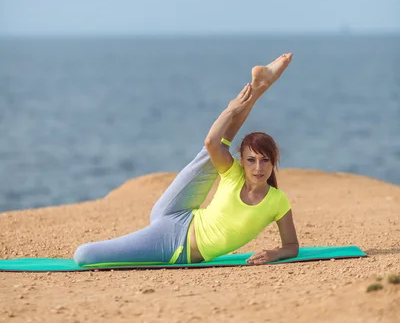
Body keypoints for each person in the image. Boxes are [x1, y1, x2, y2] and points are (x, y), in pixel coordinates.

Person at [74, 53, 299, 267]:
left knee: (84, 255)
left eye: (265, 160)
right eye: (251, 160)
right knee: (213, 151)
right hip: (174, 220)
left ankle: (260, 86)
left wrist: (275, 253)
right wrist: (230, 110)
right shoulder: (234, 175)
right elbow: (211, 143)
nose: (258, 167)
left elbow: (292, 246)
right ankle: (259, 87)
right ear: (242, 161)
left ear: (274, 162)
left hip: (174, 246)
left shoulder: (278, 201)